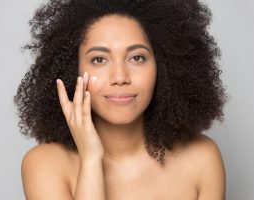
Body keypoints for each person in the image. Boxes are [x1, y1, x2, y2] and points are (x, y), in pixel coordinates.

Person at [14, 0, 228, 199]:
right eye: (99, 59)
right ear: (73, 70)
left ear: (164, 67)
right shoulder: (45, 164)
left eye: (137, 58)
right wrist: (90, 160)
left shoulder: (202, 158)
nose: (120, 77)